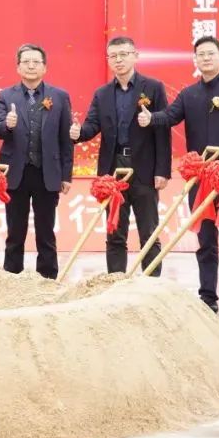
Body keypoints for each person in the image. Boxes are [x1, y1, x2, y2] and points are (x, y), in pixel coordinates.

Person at [138, 35, 219, 319]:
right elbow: (170, 116)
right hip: (200, 179)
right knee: (205, 240)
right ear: (195, 60)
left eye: (210, 53)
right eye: (201, 54)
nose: (205, 58)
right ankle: (207, 296)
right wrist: (151, 118)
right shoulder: (189, 94)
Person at [71, 36, 170, 275]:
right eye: (113, 56)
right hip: (113, 169)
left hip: (144, 168)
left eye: (124, 54)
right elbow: (92, 126)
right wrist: (78, 133)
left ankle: (151, 285)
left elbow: (163, 130)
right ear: (108, 60)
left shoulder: (153, 87)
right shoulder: (102, 94)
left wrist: (162, 170)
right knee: (115, 231)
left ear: (135, 56)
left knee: (149, 233)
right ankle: (115, 282)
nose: (119, 60)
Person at [0, 44, 74, 279]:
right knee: (15, 231)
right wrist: (7, 124)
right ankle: (12, 276)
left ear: (44, 67)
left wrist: (66, 174)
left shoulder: (59, 96)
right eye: (25, 62)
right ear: (18, 67)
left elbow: (66, 138)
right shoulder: (6, 96)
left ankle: (47, 278)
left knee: (46, 231)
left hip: (47, 172)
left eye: (36, 62)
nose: (30, 66)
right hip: (15, 173)